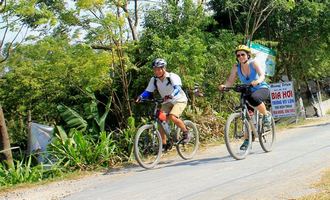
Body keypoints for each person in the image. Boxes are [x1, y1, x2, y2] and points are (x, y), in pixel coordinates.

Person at [218, 45, 271, 150]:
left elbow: (262, 75)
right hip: (247, 91)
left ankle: (266, 115)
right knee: (246, 116)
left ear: (248, 55)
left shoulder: (253, 63)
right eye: (238, 55)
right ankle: (248, 140)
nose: (240, 57)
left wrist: (257, 81)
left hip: (261, 88)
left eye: (243, 54)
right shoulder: (236, 67)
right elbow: (230, 81)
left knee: (254, 98)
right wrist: (224, 86)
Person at [136, 58, 190, 150]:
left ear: (163, 68)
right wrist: (141, 97)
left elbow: (177, 88)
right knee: (161, 120)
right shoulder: (154, 80)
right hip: (166, 102)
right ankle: (164, 145)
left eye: (158, 69)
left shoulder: (172, 76)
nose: (156, 71)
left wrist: (171, 95)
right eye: (155, 69)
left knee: (172, 116)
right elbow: (148, 91)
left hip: (179, 100)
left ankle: (186, 132)